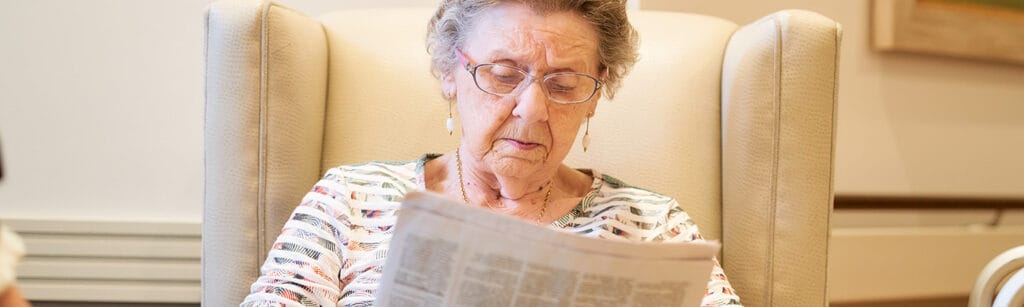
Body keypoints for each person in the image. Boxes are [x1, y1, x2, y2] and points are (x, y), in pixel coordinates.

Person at [241, 0, 742, 306]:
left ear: (596, 94)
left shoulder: (653, 225)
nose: (532, 109)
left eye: (564, 84)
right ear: (450, 73)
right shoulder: (349, 199)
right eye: (503, 75)